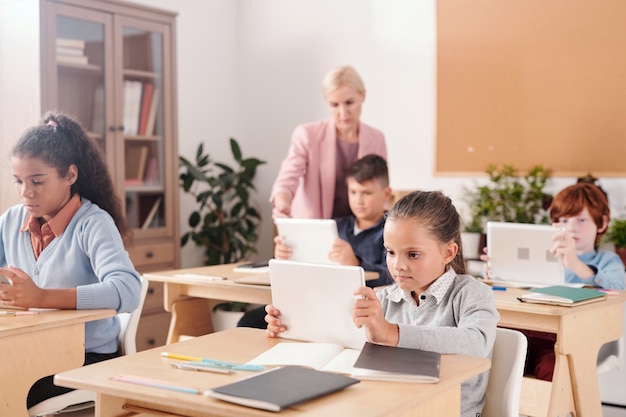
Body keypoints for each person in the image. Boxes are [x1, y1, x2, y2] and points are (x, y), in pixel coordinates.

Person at [266, 191, 500, 417]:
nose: (398, 265)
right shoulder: (383, 299)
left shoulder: (472, 294)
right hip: (388, 408)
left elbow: (476, 342)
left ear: (448, 253)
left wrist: (393, 334)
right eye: (390, 252)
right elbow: (340, 338)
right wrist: (291, 325)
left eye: (413, 254)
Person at [0, 112, 142, 408]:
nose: (26, 192)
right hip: (28, 350)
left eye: (37, 181)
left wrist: (41, 296)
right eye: (18, 181)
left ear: (70, 176)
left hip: (85, 356)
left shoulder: (92, 223)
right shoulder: (11, 221)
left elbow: (128, 289)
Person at [238, 154, 394, 329]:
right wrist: (284, 255)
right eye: (353, 192)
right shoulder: (335, 226)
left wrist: (357, 264)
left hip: (353, 310)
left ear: (386, 193)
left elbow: (394, 277)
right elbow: (308, 265)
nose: (358, 200)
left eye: (366, 193)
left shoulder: (391, 230)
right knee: (248, 322)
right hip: (316, 301)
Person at [524, 182, 625, 381]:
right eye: (564, 220)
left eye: (581, 220)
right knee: (495, 359)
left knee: (551, 369)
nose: (571, 228)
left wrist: (575, 264)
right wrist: (495, 272)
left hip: (571, 341)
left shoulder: (606, 260)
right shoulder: (541, 258)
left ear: (602, 223)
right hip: (529, 333)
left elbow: (619, 287)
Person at [270, 65, 387, 220]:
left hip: (358, 231)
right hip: (316, 227)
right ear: (327, 103)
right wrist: (282, 205)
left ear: (362, 96)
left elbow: (380, 188)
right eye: (334, 105)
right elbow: (286, 180)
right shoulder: (307, 135)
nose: (343, 112)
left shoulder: (376, 138)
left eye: (349, 102)